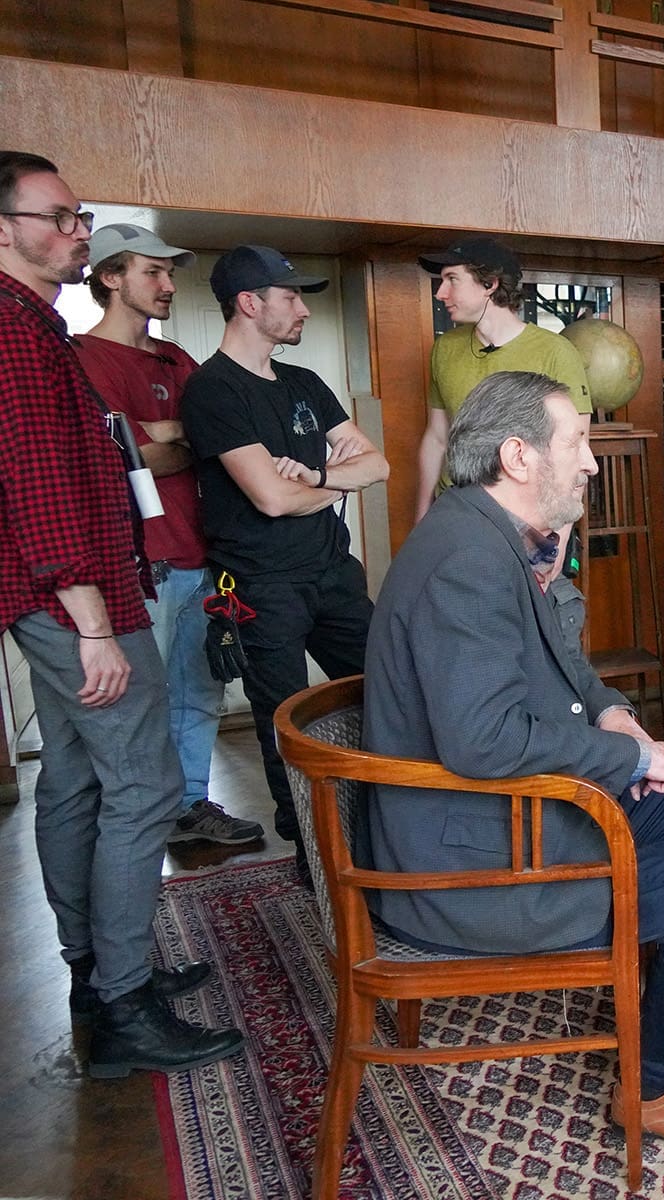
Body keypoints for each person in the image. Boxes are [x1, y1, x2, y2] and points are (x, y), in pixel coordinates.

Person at [364, 370, 664, 1153]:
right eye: (578, 443)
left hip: (500, 820)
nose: (592, 462)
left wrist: (610, 713)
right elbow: (483, 739)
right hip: (473, 869)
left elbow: (555, 662)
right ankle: (656, 1090)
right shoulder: (468, 559)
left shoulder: (485, 534)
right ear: (518, 456)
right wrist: (626, 756)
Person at [0, 150, 243, 1075]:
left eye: (80, 218)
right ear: (4, 231)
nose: (78, 232)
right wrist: (93, 623)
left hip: (76, 594)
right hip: (78, 602)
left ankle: (97, 975)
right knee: (142, 786)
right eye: (60, 218)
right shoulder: (16, 332)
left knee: (75, 780)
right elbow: (38, 485)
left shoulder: (36, 326)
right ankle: (122, 1003)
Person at [180, 244, 389, 863]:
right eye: (291, 296)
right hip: (261, 588)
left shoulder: (303, 383)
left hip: (334, 574)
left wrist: (318, 478)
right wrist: (333, 483)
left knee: (388, 686)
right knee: (285, 725)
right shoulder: (213, 390)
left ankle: (383, 833)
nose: (303, 309)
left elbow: (378, 464)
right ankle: (312, 856)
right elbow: (270, 499)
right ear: (250, 303)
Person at [72, 223, 264, 847]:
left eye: (169, 273)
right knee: (137, 704)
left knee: (199, 691)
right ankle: (137, 829)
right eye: (151, 272)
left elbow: (216, 437)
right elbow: (120, 460)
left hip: (201, 554)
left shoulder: (175, 358)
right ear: (110, 277)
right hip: (138, 565)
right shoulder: (82, 358)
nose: (168, 285)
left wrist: (161, 434)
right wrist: (170, 439)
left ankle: (188, 808)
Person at [413, 236, 592, 524]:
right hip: (455, 510)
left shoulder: (556, 352)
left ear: (490, 284)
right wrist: (422, 516)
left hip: (526, 517)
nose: (440, 293)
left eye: (452, 279)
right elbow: (437, 437)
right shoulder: (444, 349)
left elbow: (574, 454)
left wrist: (556, 538)